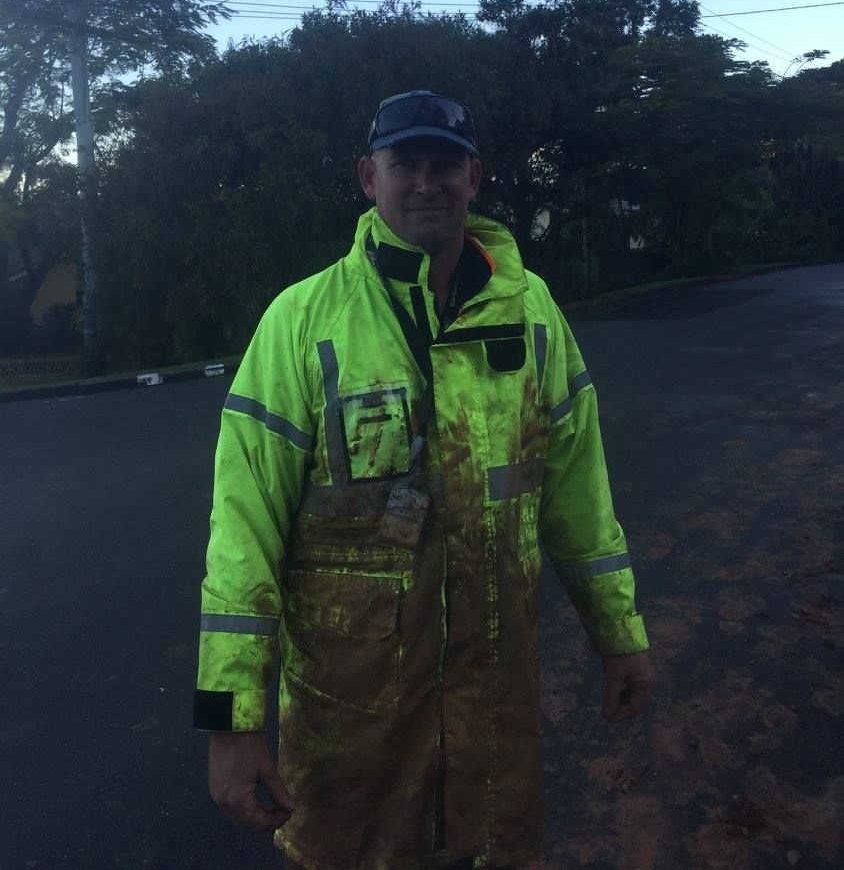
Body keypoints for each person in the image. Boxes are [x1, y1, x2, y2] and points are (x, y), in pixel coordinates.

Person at [194, 90, 656, 869]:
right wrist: (230, 722)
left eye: (446, 164)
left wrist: (621, 635)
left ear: (476, 179)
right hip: (351, 734)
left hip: (495, 714)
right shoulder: (300, 323)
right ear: (368, 179)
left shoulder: (533, 312)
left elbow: (580, 498)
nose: (426, 182)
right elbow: (242, 537)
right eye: (405, 162)